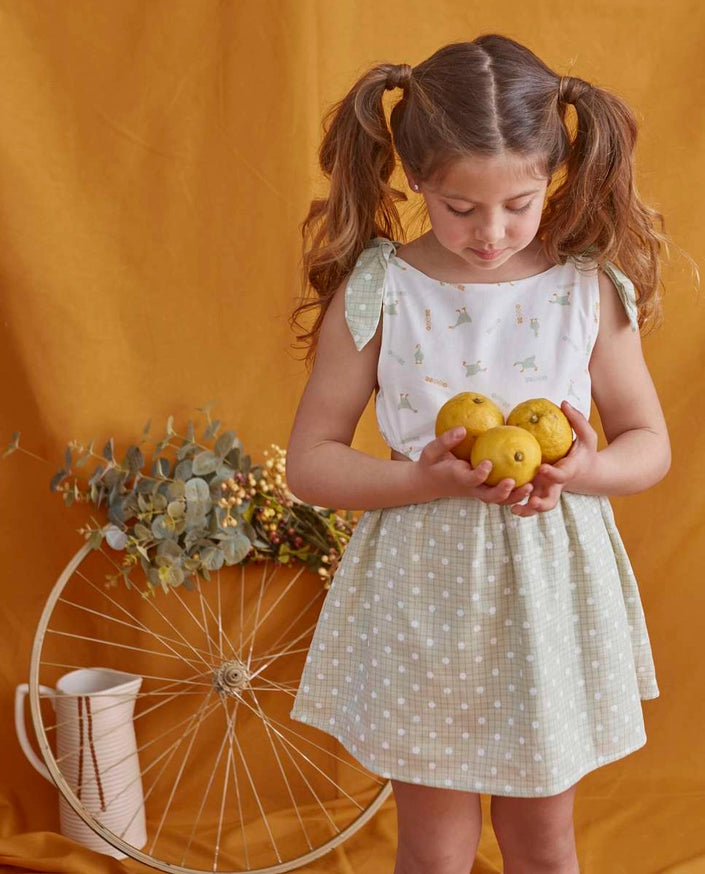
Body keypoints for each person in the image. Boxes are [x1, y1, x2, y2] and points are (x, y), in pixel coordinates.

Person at [286, 34, 672, 874]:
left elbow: (648, 446)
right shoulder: (381, 289)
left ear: (552, 177)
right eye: (461, 209)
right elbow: (309, 462)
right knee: (434, 847)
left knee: (541, 839)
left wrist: (584, 470)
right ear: (417, 177)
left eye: (519, 204)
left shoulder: (583, 286)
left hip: (548, 596)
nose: (490, 233)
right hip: (425, 601)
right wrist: (419, 477)